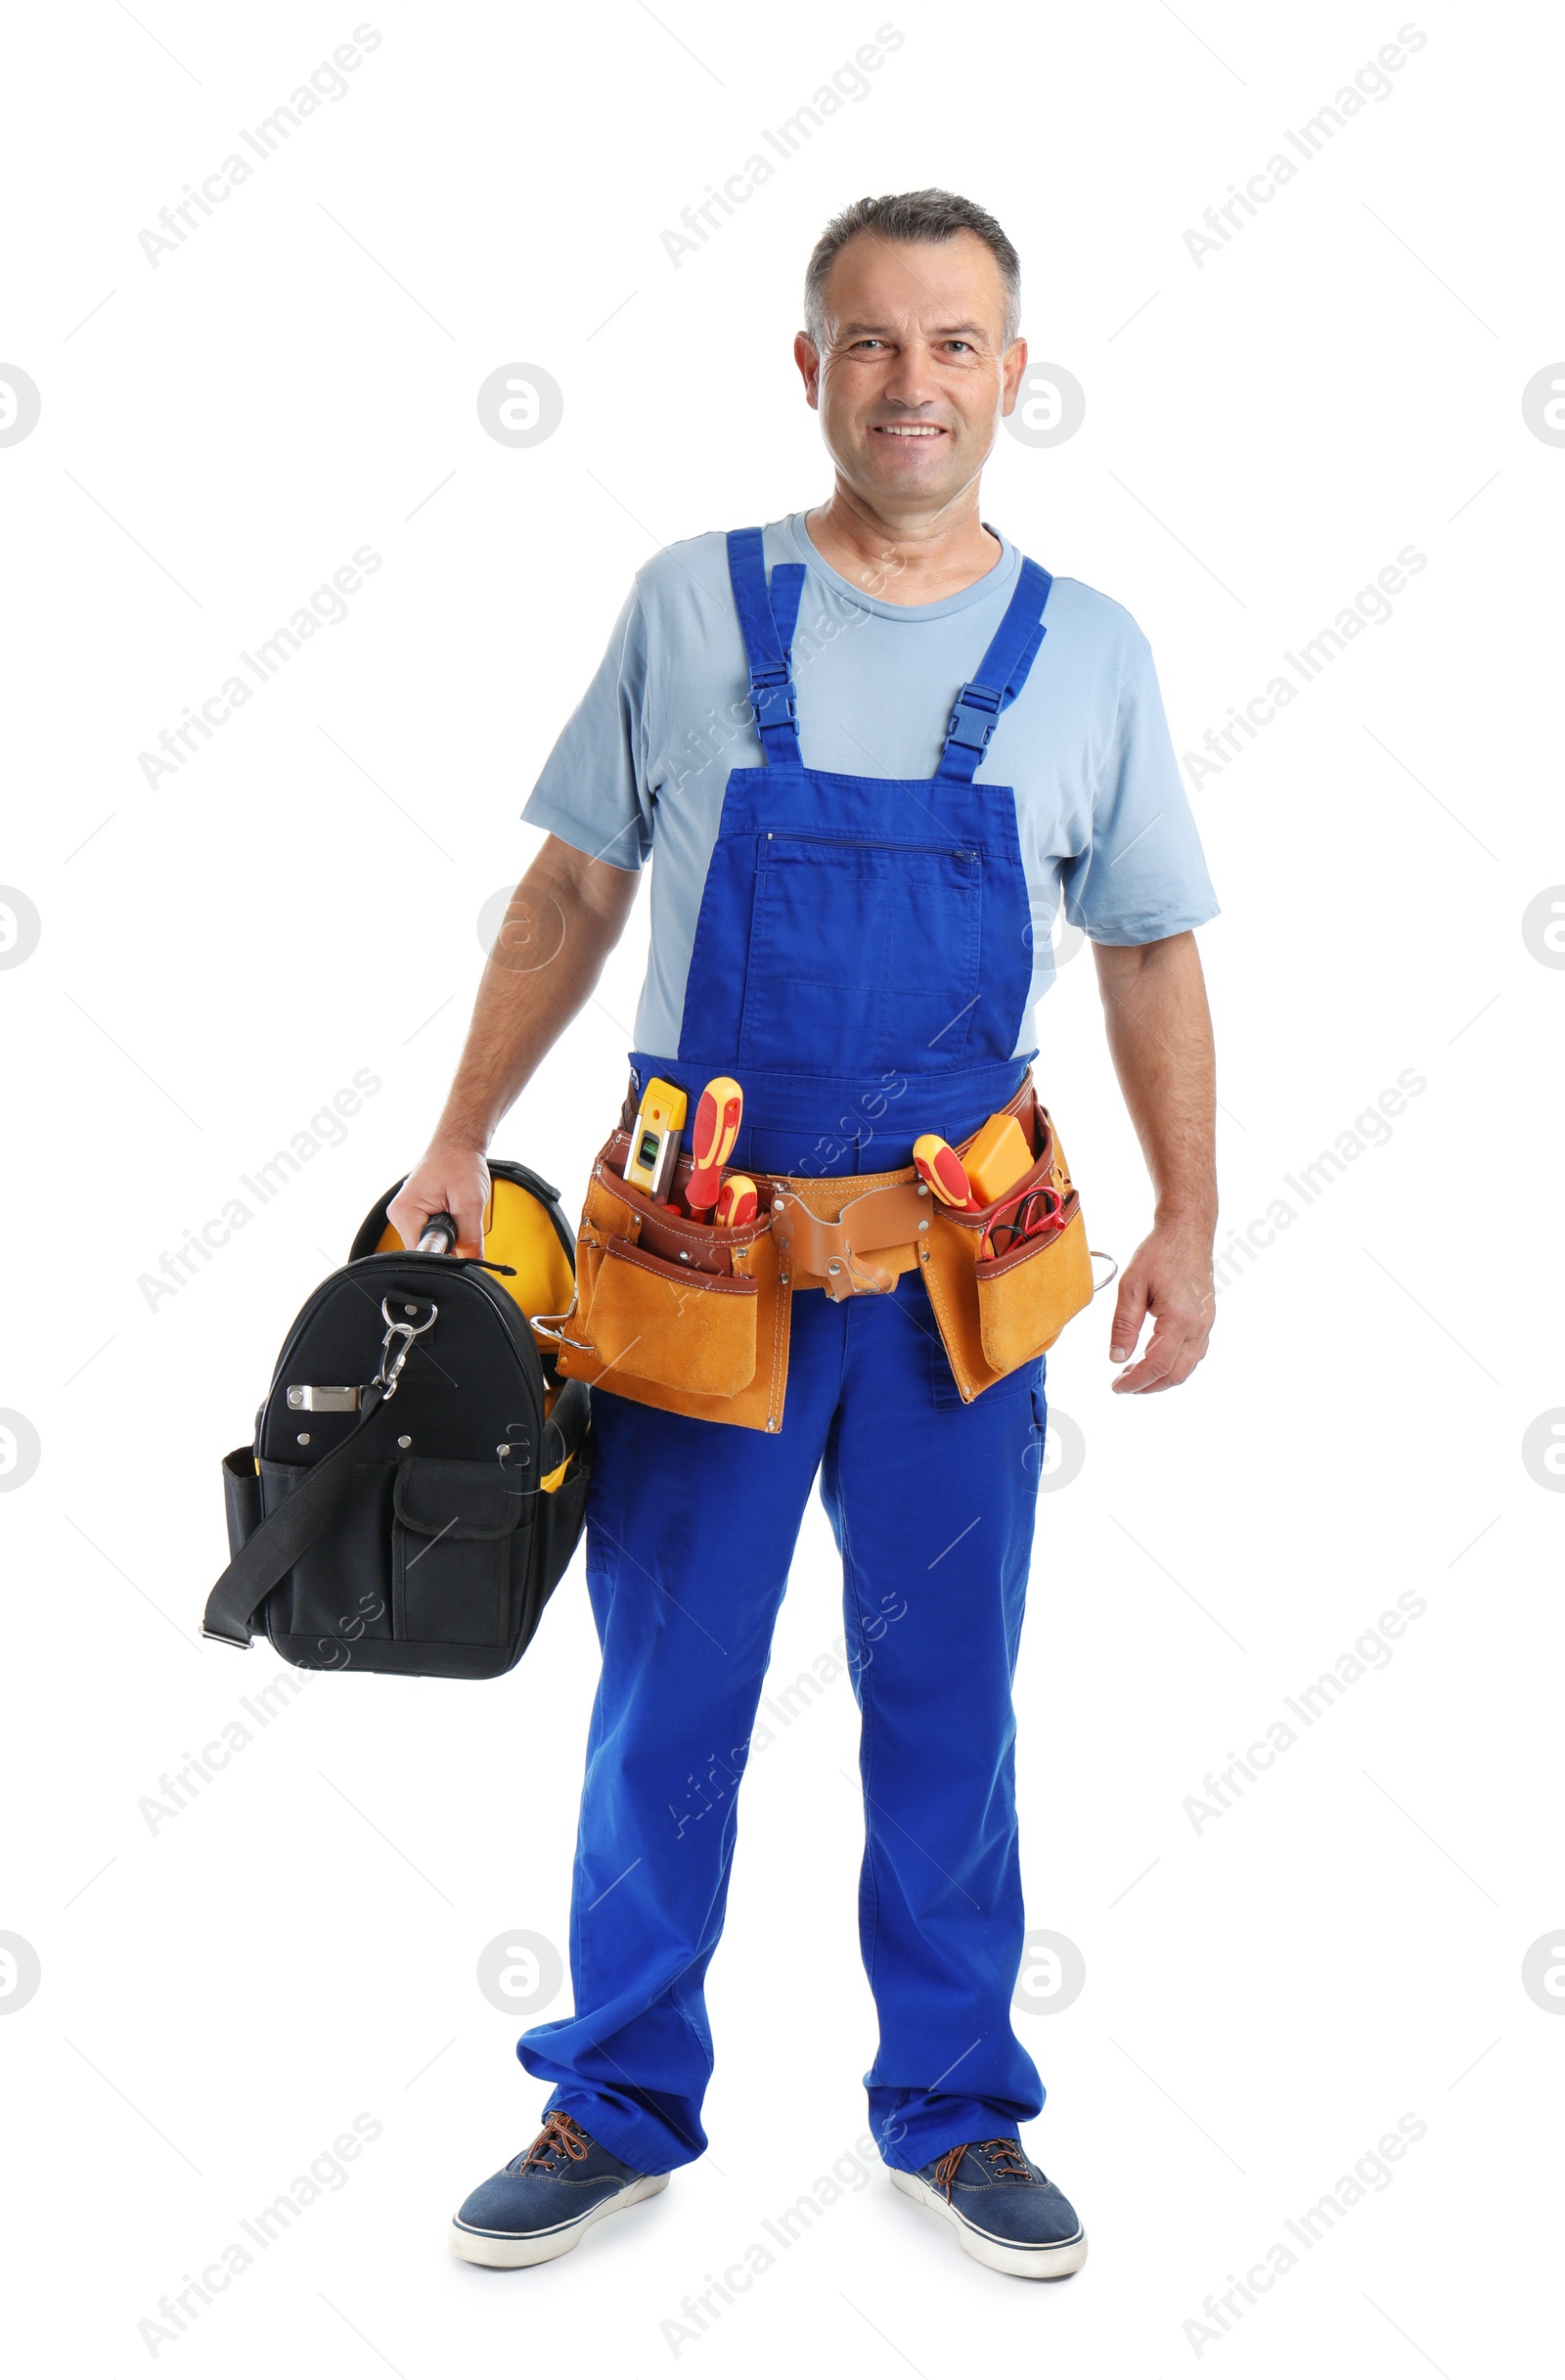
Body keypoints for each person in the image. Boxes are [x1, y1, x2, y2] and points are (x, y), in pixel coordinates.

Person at [390, 187, 1219, 2282]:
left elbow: (1143, 958)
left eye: (951, 344)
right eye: (868, 341)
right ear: (807, 367)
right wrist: (455, 1131)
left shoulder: (1088, 651)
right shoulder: (689, 605)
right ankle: (613, 2096)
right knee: (665, 1698)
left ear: (1010, 375)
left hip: (961, 1283)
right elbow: (571, 896)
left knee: (945, 1699)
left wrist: (1188, 1218)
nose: (909, 382)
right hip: (696, 1272)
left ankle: (951, 2111)